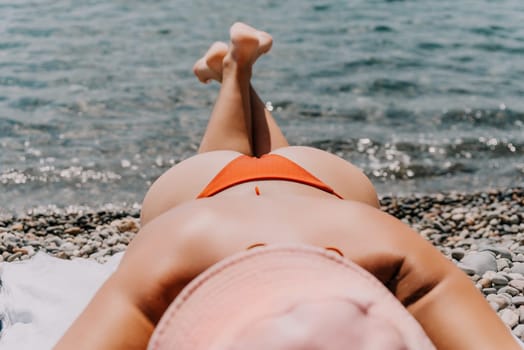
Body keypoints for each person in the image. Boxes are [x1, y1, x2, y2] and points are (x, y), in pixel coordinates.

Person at [55, 23, 520, 349]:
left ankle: (235, 71)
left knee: (252, 160)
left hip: (324, 190)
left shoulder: (385, 253)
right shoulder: (174, 261)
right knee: (241, 162)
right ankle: (235, 71)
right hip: (220, 200)